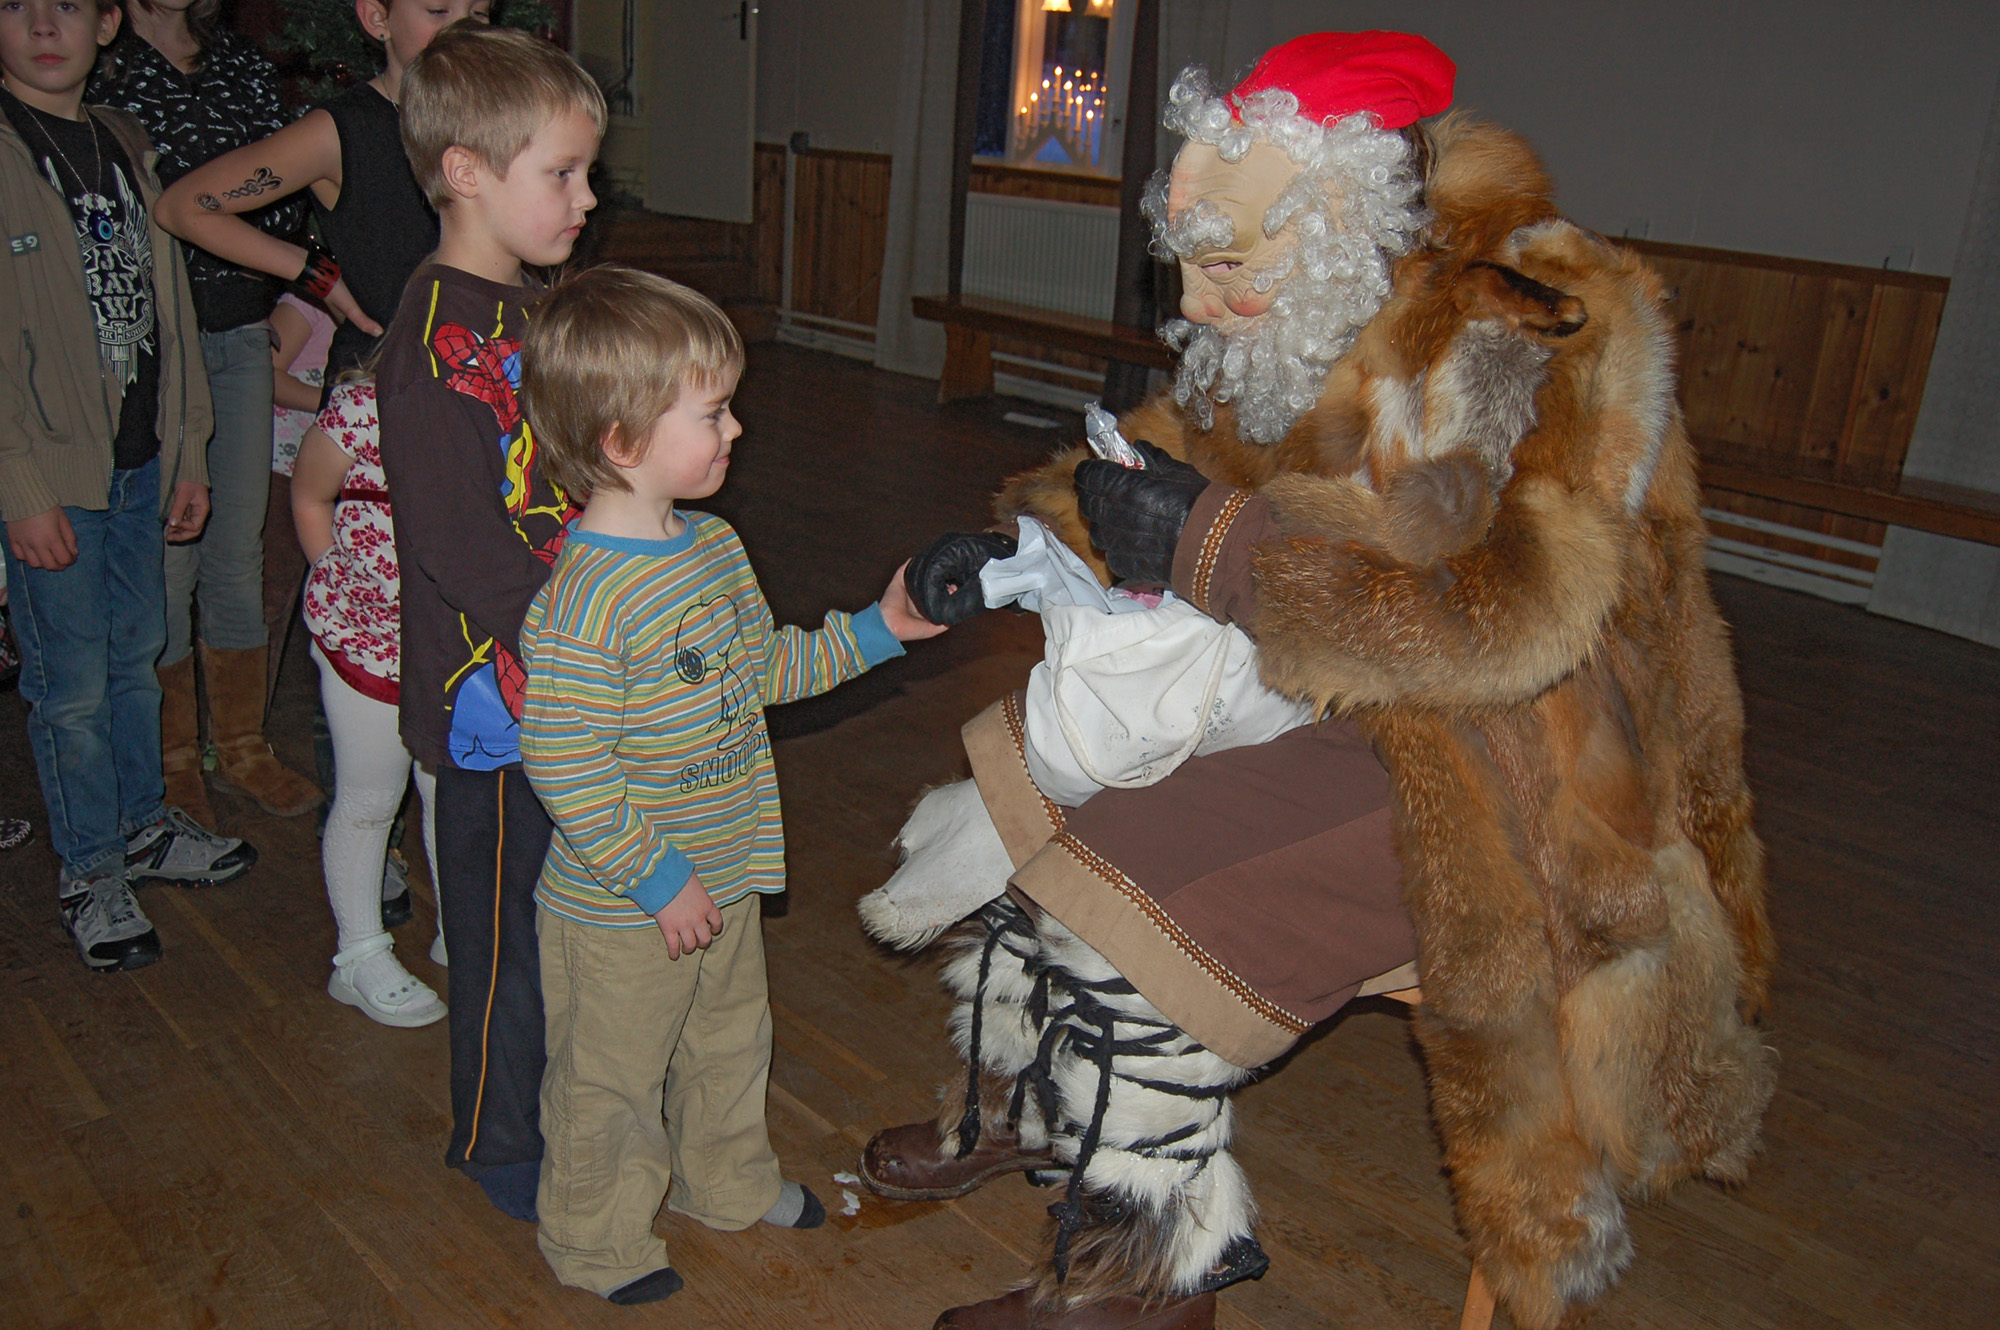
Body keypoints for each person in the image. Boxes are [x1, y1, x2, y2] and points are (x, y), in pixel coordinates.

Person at [866, 32, 1775, 1330]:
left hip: (1522, 767)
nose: (1210, 298)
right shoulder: (1300, 304)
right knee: (1039, 765)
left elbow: (1506, 623)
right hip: (1338, 695)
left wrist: (1209, 543)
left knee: (1150, 875)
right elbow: (1180, 453)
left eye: (1236, 265)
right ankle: (1038, 1098)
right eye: (1196, 262)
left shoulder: (1527, 344)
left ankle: (1144, 1275)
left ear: (1345, 217)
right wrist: (1030, 548)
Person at [516, 265, 948, 1304]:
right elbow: (562, 760)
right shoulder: (583, 606)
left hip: (726, 870)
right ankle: (593, 1237)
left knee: (726, 1041)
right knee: (608, 1082)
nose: (735, 430)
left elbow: (762, 672)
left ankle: (727, 1182)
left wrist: (874, 629)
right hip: (624, 906)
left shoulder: (711, 546)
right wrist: (656, 878)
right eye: (709, 413)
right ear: (621, 441)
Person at [370, 20, 600, 1223]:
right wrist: (569, 639)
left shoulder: (536, 311)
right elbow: (457, 542)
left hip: (568, 671)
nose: (585, 195)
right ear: (466, 170)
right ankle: (495, 1136)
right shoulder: (424, 337)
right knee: (501, 941)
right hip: (495, 706)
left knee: (572, 920)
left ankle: (571, 1104)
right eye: (558, 173)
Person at [1, 0, 255, 973]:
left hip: (139, 459)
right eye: (18, 7)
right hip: (51, 472)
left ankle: (145, 824)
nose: (42, 25)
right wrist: (18, 484)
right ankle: (91, 867)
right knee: (68, 684)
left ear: (107, 24)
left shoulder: (123, 142)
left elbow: (171, 311)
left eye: (66, 6)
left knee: (138, 651)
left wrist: (188, 449)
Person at [89, 0, 321, 826]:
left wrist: (226, 207)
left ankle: (243, 748)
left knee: (235, 547)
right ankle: (171, 759)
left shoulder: (239, 65)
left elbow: (285, 204)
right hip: (151, 345)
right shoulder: (104, 70)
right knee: (168, 554)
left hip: (239, 330)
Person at [153, 0, 492, 388]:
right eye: (437, 11)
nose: (463, 30)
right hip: (381, 390)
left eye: (478, 15)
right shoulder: (342, 130)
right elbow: (181, 208)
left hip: (481, 382)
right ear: (377, 18)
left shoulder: (498, 123)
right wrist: (312, 271)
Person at [293, 372, 444, 1027]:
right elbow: (308, 493)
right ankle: (357, 955)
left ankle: (464, 928)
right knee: (370, 796)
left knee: (449, 789)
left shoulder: (511, 404)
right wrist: (340, 577)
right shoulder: (363, 408)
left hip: (453, 639)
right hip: (369, 639)